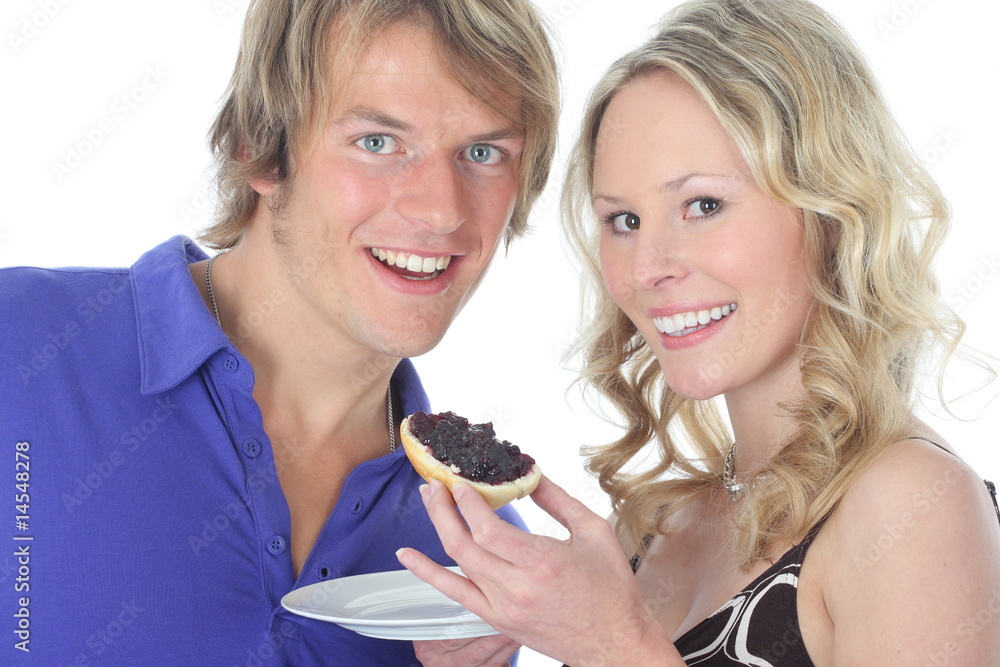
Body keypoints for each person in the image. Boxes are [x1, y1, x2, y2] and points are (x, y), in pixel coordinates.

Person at [396, 0, 1000, 664]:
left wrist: (614, 645)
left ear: (831, 208)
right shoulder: (665, 528)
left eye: (703, 205)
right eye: (622, 220)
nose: (648, 268)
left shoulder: (911, 503)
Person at [0, 0, 558, 664]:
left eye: (483, 151)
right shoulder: (22, 344)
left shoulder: (475, 559)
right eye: (378, 142)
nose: (441, 209)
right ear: (260, 148)